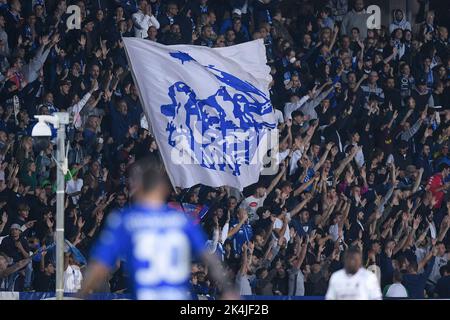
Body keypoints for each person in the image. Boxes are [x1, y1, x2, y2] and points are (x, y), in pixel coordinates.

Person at [79, 157, 236, 300]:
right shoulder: (181, 220)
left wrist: (81, 294)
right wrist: (228, 290)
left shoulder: (125, 220)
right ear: (163, 189)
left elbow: (99, 265)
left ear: (138, 188)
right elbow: (209, 258)